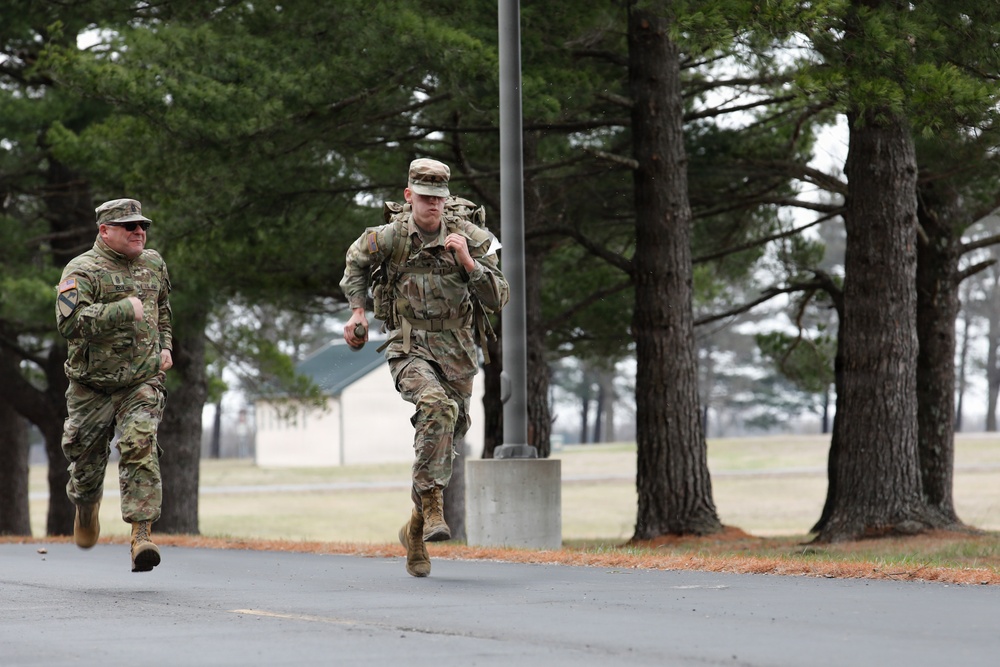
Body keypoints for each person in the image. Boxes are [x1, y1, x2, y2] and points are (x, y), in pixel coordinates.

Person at [340, 158, 509, 577]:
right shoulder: (390, 236)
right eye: (425, 197)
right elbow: (354, 261)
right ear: (409, 195)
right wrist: (358, 312)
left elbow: (499, 297)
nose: (432, 206)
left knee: (444, 440)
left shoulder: (470, 236)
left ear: (446, 200)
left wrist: (469, 263)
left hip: (458, 350)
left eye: (439, 199)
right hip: (409, 343)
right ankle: (433, 509)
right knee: (435, 406)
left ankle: (415, 530)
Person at [55, 198, 173, 573]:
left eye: (142, 226)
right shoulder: (82, 270)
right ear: (105, 231)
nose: (139, 232)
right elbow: (68, 324)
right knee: (86, 465)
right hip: (92, 386)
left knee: (140, 444)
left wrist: (166, 346)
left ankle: (142, 535)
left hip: (142, 379)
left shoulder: (154, 263)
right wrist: (124, 309)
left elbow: (164, 310)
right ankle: (86, 507)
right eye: (129, 227)